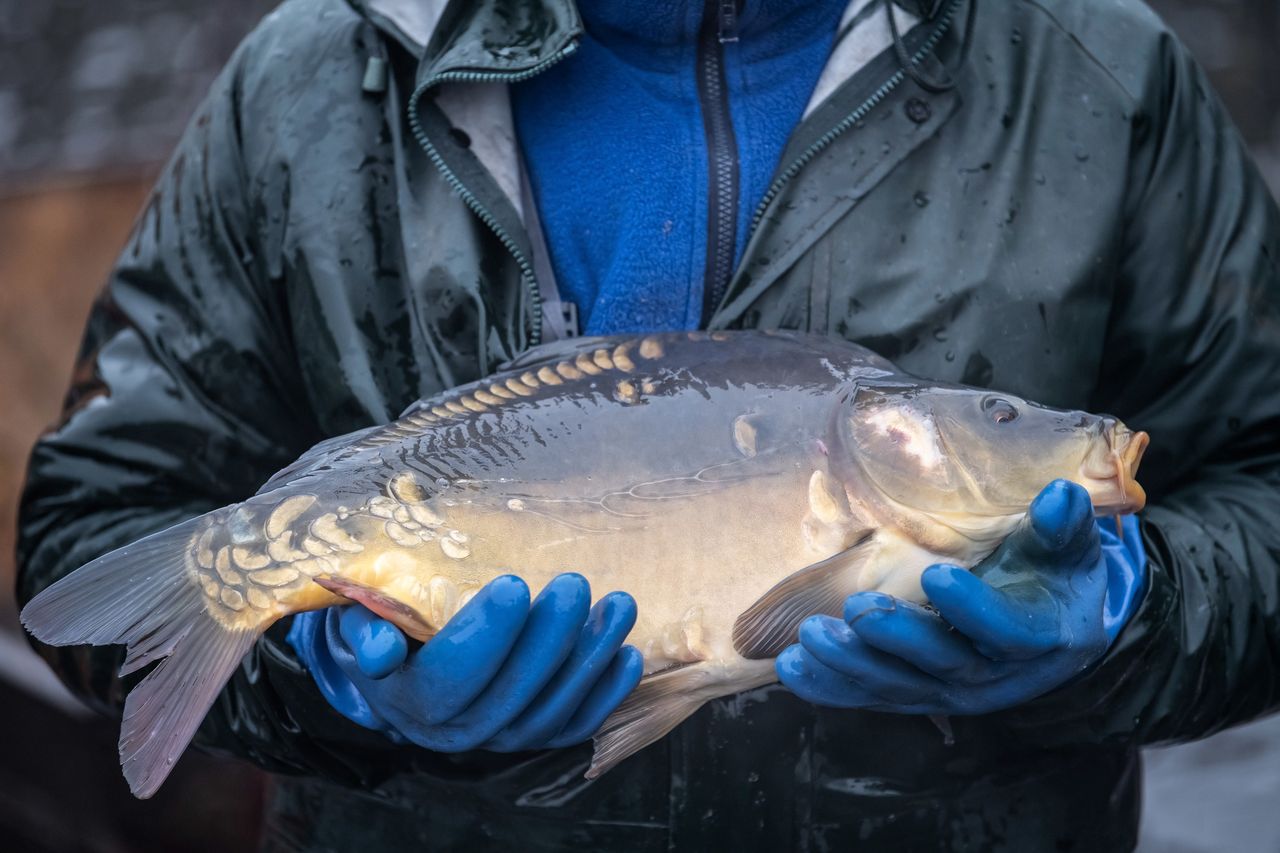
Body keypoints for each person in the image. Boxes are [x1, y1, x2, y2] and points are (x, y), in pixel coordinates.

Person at [15, 0, 1280, 849]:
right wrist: (336, 687)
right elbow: (86, 532)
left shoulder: (1096, 67)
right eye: (999, 417)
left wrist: (1128, 619)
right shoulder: (304, 82)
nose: (1039, 428)